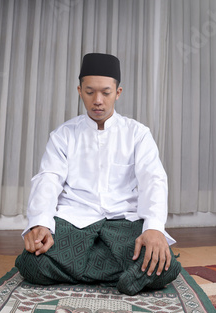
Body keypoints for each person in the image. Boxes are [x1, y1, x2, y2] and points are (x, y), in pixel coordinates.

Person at [15, 53, 181, 296]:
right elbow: (48, 178)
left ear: (118, 92)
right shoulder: (64, 134)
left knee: (166, 266)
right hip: (75, 220)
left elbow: (153, 178)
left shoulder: (138, 134)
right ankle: (123, 276)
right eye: (90, 91)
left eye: (106, 92)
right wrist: (40, 222)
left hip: (124, 221)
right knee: (31, 264)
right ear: (80, 90)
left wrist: (154, 228)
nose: (98, 100)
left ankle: (80, 269)